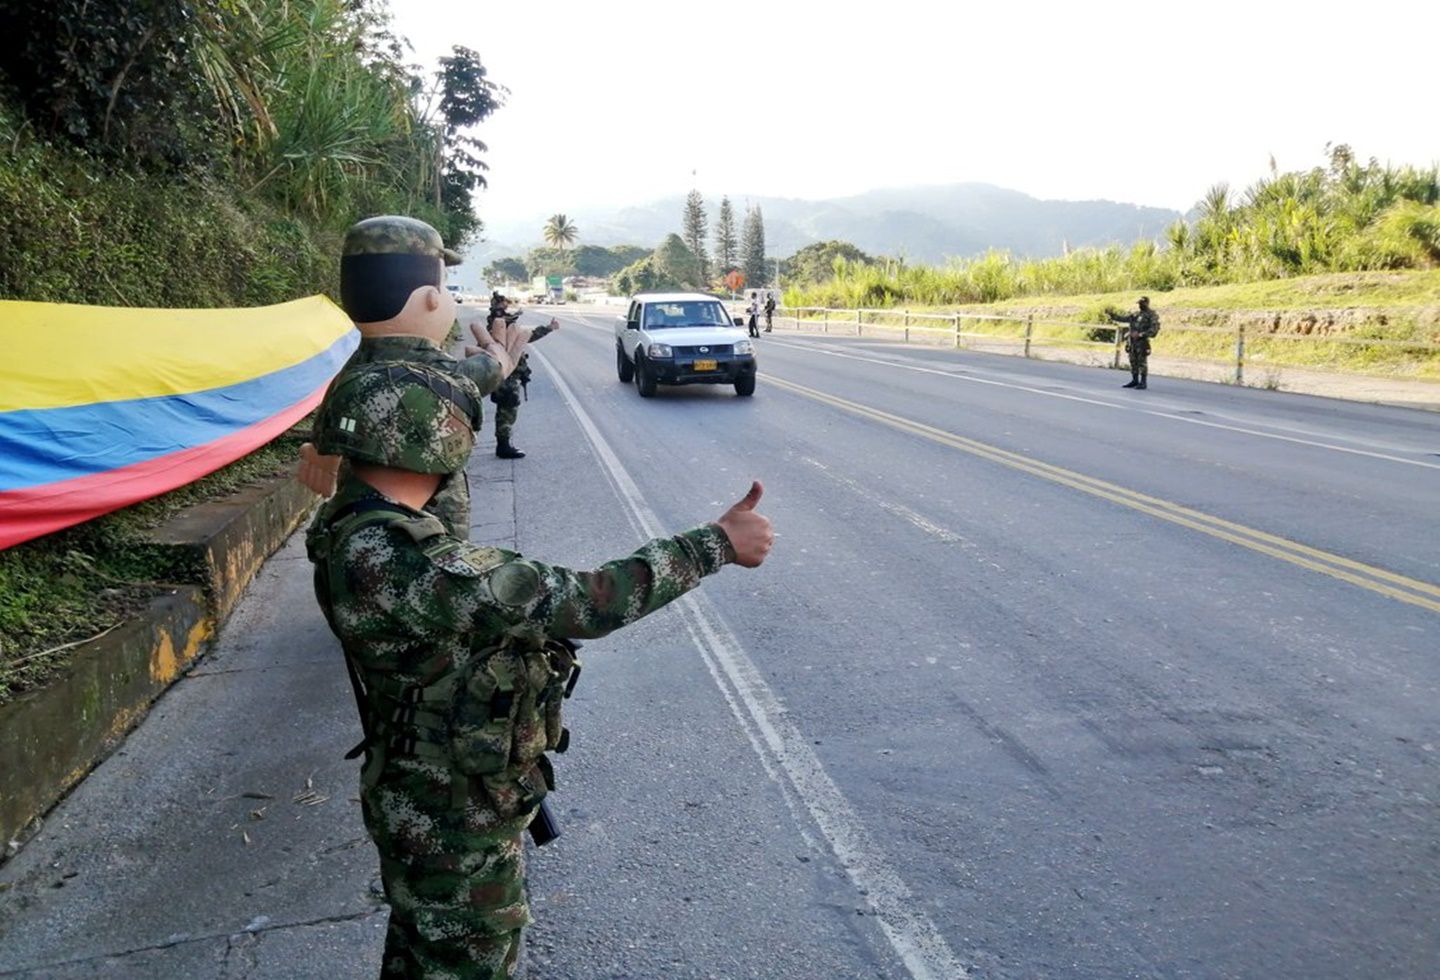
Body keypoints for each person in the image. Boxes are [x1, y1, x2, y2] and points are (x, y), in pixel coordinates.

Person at [304, 365, 774, 978]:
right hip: (449, 807)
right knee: (467, 957)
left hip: (422, 782)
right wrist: (713, 543)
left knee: (425, 949)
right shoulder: (409, 560)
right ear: (441, 443)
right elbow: (589, 601)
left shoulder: (350, 522)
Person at [298, 215, 530, 537]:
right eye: (445, 285)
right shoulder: (436, 374)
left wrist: (324, 453)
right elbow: (472, 378)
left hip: (358, 527)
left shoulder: (352, 371)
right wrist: (500, 362)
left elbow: (335, 414)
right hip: (432, 532)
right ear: (431, 299)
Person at [487, 292, 559, 460]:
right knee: (507, 408)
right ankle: (503, 446)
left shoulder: (499, 323)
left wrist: (548, 328)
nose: (507, 307)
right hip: (505, 373)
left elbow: (523, 338)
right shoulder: (498, 324)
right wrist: (548, 328)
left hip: (506, 371)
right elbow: (523, 335)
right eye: (504, 304)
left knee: (507, 408)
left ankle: (504, 444)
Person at [1108, 296, 1161, 389]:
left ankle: (1143, 382)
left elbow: (1154, 330)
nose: (1140, 305)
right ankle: (1134, 380)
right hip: (1132, 342)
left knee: (1142, 362)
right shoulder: (1136, 314)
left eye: (1142, 303)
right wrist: (1112, 315)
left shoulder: (1152, 315)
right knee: (1133, 361)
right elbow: (1124, 318)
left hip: (1142, 342)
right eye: (1139, 303)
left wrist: (1141, 334)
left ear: (1147, 303)